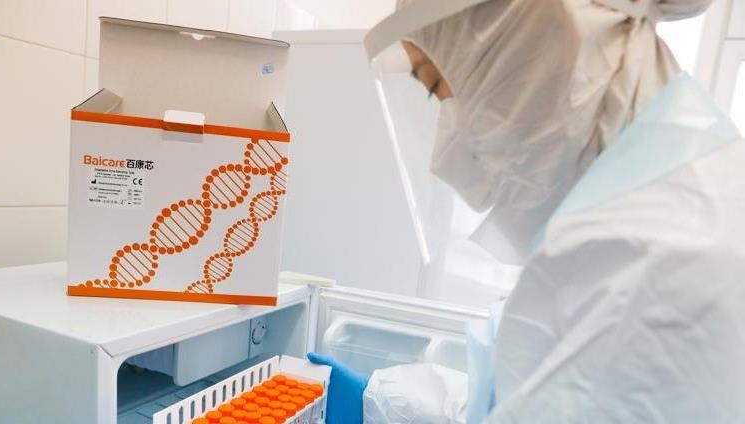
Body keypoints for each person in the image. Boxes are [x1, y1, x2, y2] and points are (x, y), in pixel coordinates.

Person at [310, 0, 745, 422]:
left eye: (436, 87)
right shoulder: (642, 226)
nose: (441, 155)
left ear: (534, 48)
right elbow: (529, 398)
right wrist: (381, 400)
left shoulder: (658, 268)